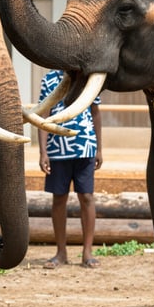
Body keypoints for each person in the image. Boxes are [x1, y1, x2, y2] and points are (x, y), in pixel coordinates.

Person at [38, 69, 103, 269]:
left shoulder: (87, 77)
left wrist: (99, 149)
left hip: (85, 147)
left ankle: (87, 252)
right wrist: (43, 152)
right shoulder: (49, 80)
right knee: (59, 198)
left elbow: (95, 112)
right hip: (57, 150)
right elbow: (44, 115)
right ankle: (61, 253)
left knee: (87, 197)